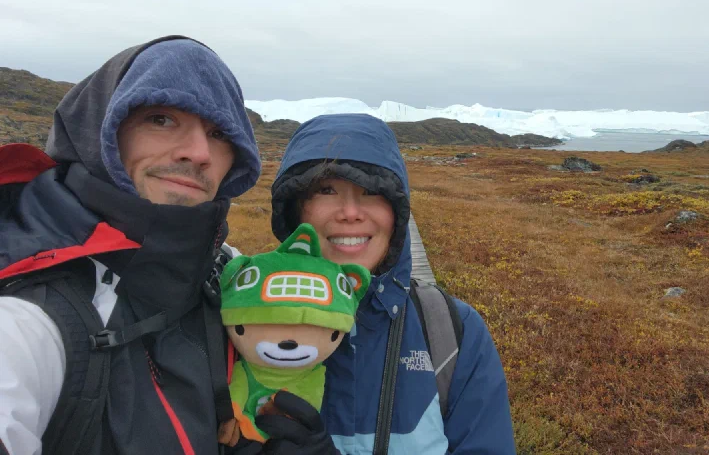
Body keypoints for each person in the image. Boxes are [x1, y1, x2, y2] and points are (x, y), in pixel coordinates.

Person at [0, 36, 262, 455]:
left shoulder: (227, 276)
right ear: (98, 131)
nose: (199, 153)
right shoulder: (28, 316)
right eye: (160, 119)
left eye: (218, 132)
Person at [256, 113, 515, 454]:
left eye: (371, 191)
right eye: (326, 190)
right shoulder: (243, 321)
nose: (350, 212)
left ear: (396, 213)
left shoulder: (452, 334)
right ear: (295, 212)